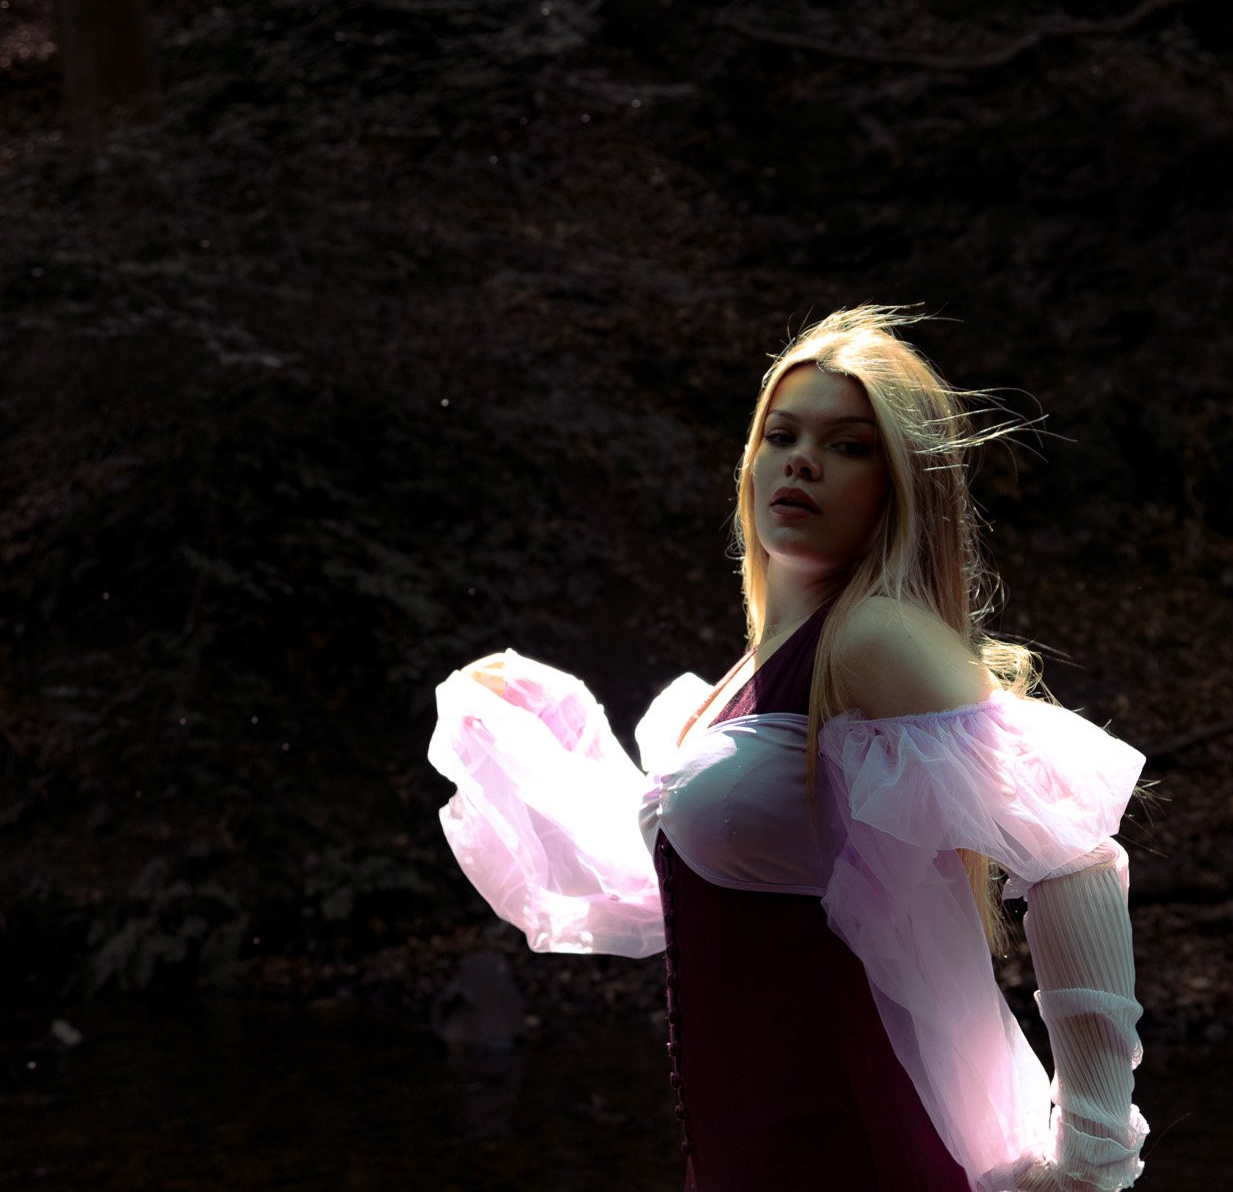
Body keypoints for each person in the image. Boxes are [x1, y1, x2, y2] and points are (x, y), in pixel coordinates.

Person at [428, 306, 1149, 1191]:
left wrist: (1093, 1156)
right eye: (783, 434)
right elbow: (682, 874)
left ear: (901, 485)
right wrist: (564, 724)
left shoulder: (872, 639)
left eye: (849, 445)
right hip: (747, 1155)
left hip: (853, 1143)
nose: (802, 459)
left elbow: (1072, 858)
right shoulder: (756, 670)